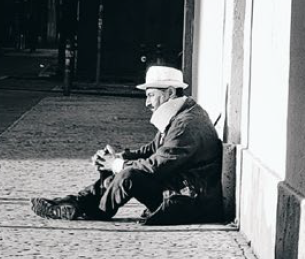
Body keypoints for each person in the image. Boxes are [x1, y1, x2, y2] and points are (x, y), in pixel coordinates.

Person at [31, 65, 223, 225]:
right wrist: (118, 158)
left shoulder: (186, 124)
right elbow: (151, 150)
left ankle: (92, 211)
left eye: (151, 95)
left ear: (170, 93)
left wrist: (116, 165)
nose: (147, 103)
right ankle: (74, 203)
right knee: (118, 172)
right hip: (179, 188)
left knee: (129, 176)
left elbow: (156, 166)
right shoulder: (181, 115)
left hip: (191, 201)